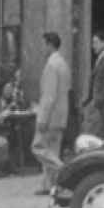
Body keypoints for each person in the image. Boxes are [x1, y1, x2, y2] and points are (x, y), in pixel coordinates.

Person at [31, 32, 71, 196]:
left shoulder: (51, 65)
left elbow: (49, 95)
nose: (42, 48)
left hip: (51, 115)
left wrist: (42, 117)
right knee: (52, 149)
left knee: (38, 147)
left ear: (49, 44)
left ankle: (64, 170)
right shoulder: (63, 64)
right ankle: (48, 185)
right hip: (61, 114)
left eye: (43, 44)